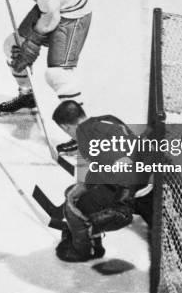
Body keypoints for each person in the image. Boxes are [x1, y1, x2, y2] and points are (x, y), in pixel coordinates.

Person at [0, 0, 92, 155]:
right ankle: (27, 96)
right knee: (12, 47)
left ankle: (86, 135)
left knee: (58, 75)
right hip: (49, 7)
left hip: (71, 14)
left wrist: (33, 45)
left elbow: (52, 18)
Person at [50, 100, 154, 262]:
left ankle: (84, 250)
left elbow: (123, 164)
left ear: (65, 127)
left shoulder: (86, 136)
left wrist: (122, 204)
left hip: (131, 186)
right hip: (150, 179)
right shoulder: (108, 119)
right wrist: (87, 184)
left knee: (74, 204)